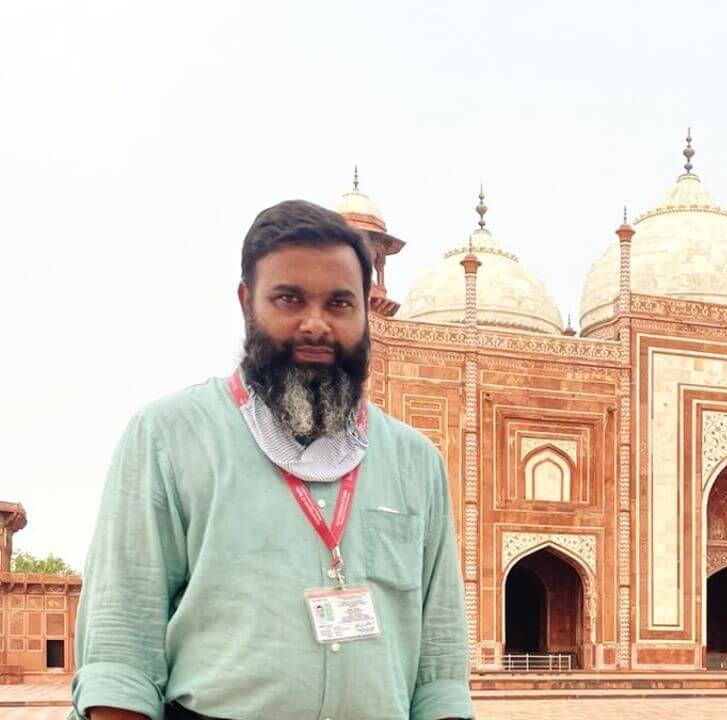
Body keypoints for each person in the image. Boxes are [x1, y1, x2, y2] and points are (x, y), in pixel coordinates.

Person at [70, 201, 474, 720]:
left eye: (339, 303)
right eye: (289, 299)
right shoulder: (170, 436)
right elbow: (120, 651)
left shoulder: (415, 461)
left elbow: (439, 666)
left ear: (367, 310)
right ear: (247, 302)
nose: (315, 325)